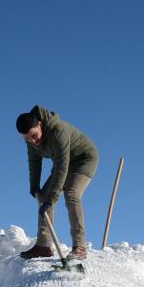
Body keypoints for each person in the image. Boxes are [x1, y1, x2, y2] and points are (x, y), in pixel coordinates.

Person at [16, 105, 98, 261]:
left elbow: (62, 167)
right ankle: (43, 246)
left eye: (34, 136)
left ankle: (79, 246)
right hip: (63, 163)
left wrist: (51, 200)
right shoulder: (30, 139)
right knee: (43, 195)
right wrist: (34, 185)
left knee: (71, 193)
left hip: (84, 159)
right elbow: (34, 161)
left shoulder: (58, 131)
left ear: (39, 124)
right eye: (27, 139)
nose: (32, 141)